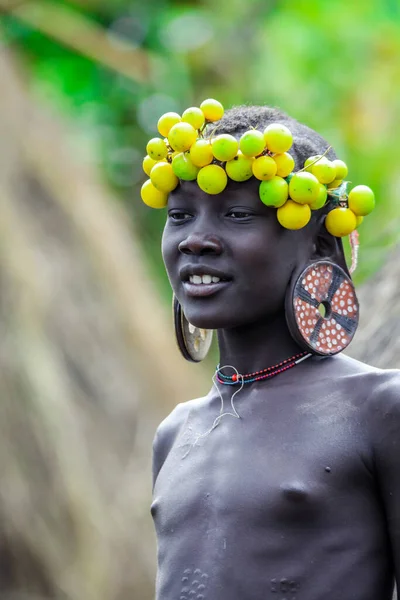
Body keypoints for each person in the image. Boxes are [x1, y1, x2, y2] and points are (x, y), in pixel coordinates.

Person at [145, 102, 400, 600]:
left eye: (238, 215)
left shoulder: (378, 410)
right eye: (179, 215)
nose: (195, 240)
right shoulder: (175, 433)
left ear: (321, 246)